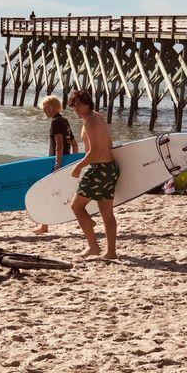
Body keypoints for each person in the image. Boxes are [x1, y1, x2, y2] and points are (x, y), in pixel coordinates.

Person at [68, 90, 120, 259]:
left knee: (76, 207)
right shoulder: (97, 116)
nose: (76, 108)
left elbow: (95, 150)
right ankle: (110, 252)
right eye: (73, 105)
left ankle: (93, 247)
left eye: (79, 104)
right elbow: (109, 143)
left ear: (87, 103)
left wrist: (78, 167)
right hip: (110, 167)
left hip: (99, 169)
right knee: (107, 213)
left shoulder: (90, 121)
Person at [34, 96, 79, 234]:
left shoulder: (55, 122)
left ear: (51, 107)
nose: (44, 111)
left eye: (45, 108)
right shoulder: (64, 121)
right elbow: (74, 144)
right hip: (65, 160)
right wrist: (74, 160)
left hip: (56, 162)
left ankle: (44, 226)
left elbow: (59, 144)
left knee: (45, 192)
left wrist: (57, 164)